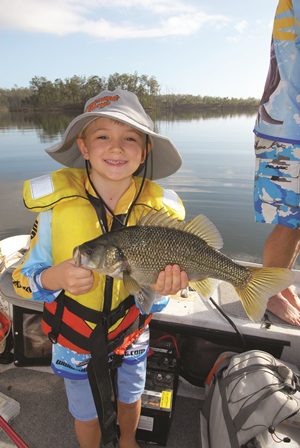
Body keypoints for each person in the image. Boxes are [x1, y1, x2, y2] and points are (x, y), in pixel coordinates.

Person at [12, 89, 189, 448]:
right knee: (85, 411)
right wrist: (53, 277)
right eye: (103, 136)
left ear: (144, 152)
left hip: (132, 331)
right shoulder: (54, 211)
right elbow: (20, 280)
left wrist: (165, 290)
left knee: (131, 396)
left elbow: (151, 302)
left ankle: (128, 443)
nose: (117, 148)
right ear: (84, 146)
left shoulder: (160, 215)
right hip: (75, 336)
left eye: (130, 139)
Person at [253, 0, 300, 326]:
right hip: (289, 124)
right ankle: (270, 292)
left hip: (286, 120)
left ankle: (279, 284)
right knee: (290, 217)